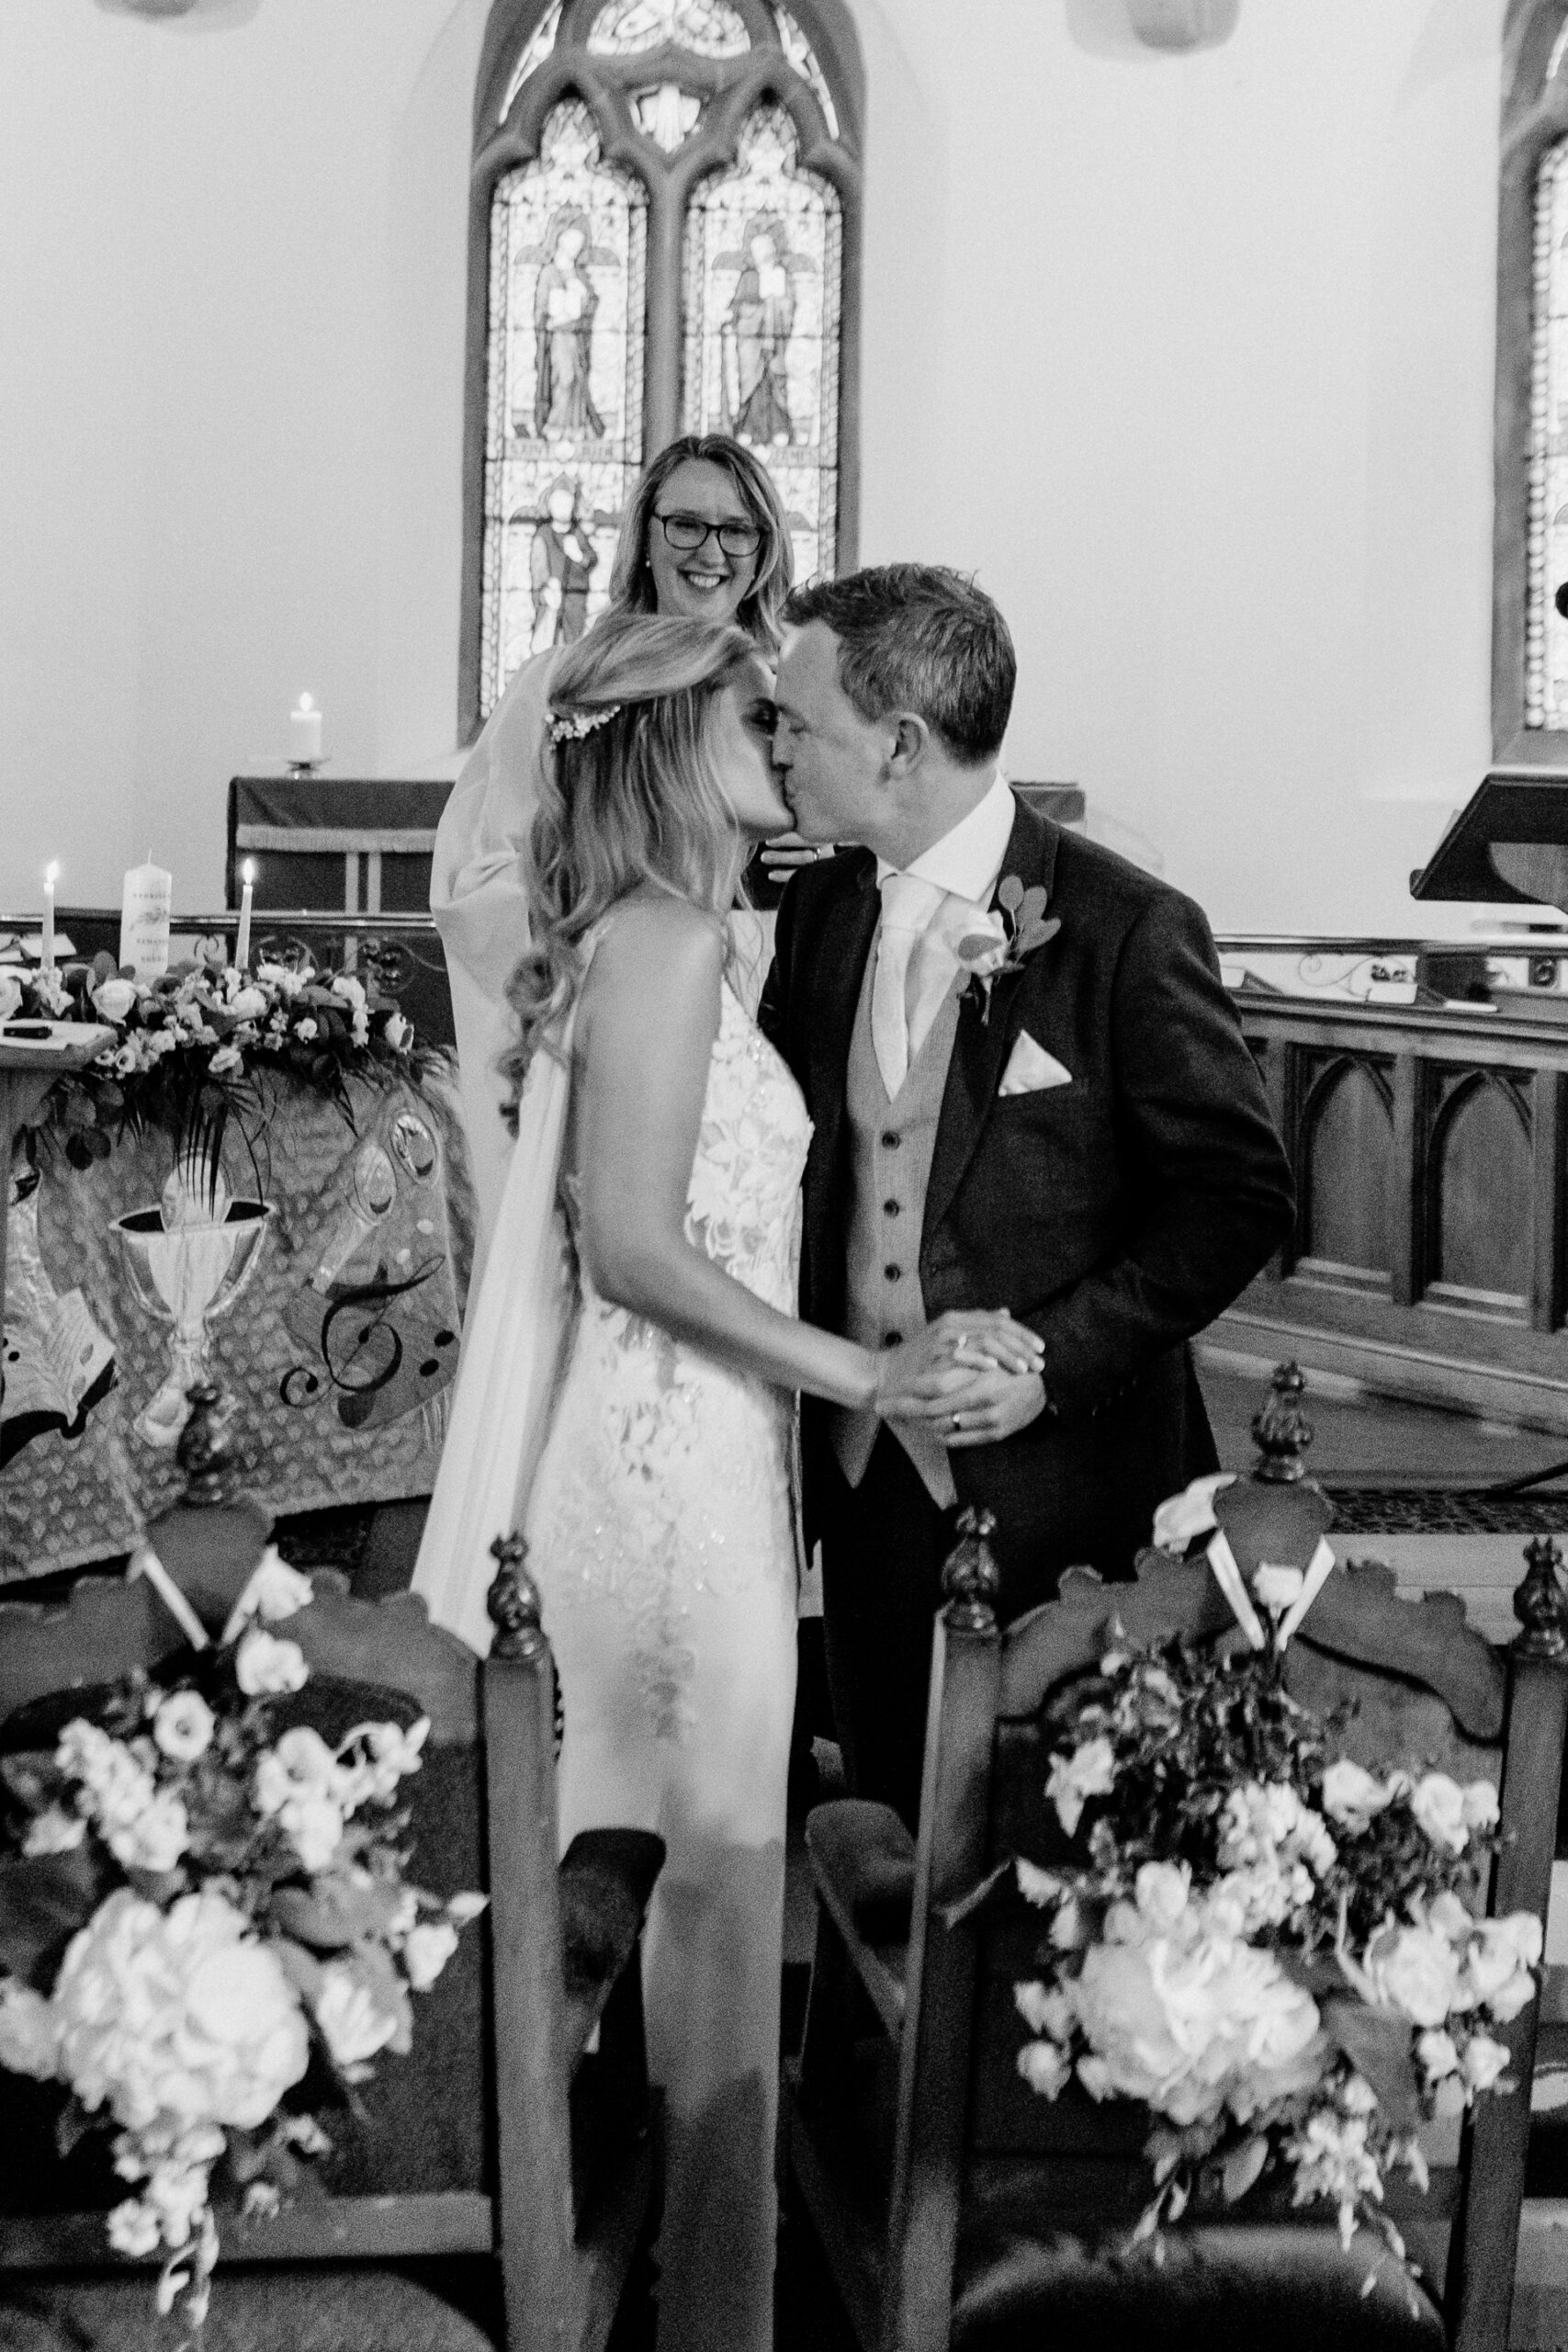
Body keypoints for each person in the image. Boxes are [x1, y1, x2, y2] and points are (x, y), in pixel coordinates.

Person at [411, 611, 1034, 2352]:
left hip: (685, 1464)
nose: (781, 734)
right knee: (703, 1902)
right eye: (750, 711)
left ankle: (630, 2287)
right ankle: (707, 2314)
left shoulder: (670, 933)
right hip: (667, 1480)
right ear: (661, 735)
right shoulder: (671, 939)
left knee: (673, 1902)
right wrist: (866, 1371)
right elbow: (625, 1249)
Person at [761, 564, 1297, 1831]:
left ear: (897, 745)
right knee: (887, 1830)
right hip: (867, 1474)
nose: (773, 744)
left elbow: (1235, 1197)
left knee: (1052, 1862)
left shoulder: (1124, 928)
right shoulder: (820, 909)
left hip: (1067, 1495)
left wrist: (1049, 1360)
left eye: (796, 719)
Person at [431, 434, 805, 1273]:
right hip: (614, 1016)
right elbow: (478, 882)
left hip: (771, 1013)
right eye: (685, 525)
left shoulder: (788, 693)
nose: (710, 551)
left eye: (736, 530)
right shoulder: (565, 683)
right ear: (644, 534)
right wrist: (620, 911)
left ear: (764, 548)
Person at [527, 473, 596, 654]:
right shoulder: (543, 534)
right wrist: (547, 587)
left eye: (567, 503)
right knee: (547, 648)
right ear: (549, 505)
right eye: (558, 502)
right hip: (550, 599)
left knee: (573, 648)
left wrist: (578, 556)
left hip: (575, 601)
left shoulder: (577, 533)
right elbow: (538, 567)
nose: (562, 508)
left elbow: (591, 560)